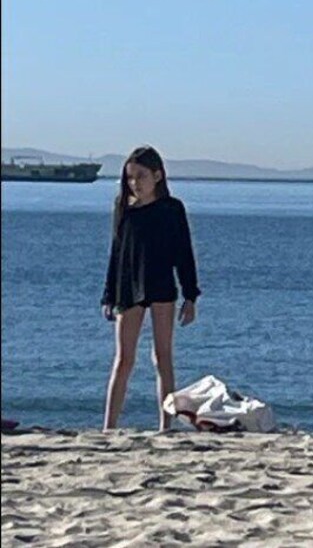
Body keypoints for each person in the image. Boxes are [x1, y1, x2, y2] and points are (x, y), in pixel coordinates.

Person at [100, 145, 201, 431]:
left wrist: (191, 295)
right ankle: (109, 427)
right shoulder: (123, 207)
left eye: (141, 176)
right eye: (130, 177)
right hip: (128, 287)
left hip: (160, 285)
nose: (135, 183)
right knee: (123, 359)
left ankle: (165, 426)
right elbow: (117, 253)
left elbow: (184, 253)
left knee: (162, 357)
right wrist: (108, 295)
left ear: (157, 176)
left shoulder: (172, 209)